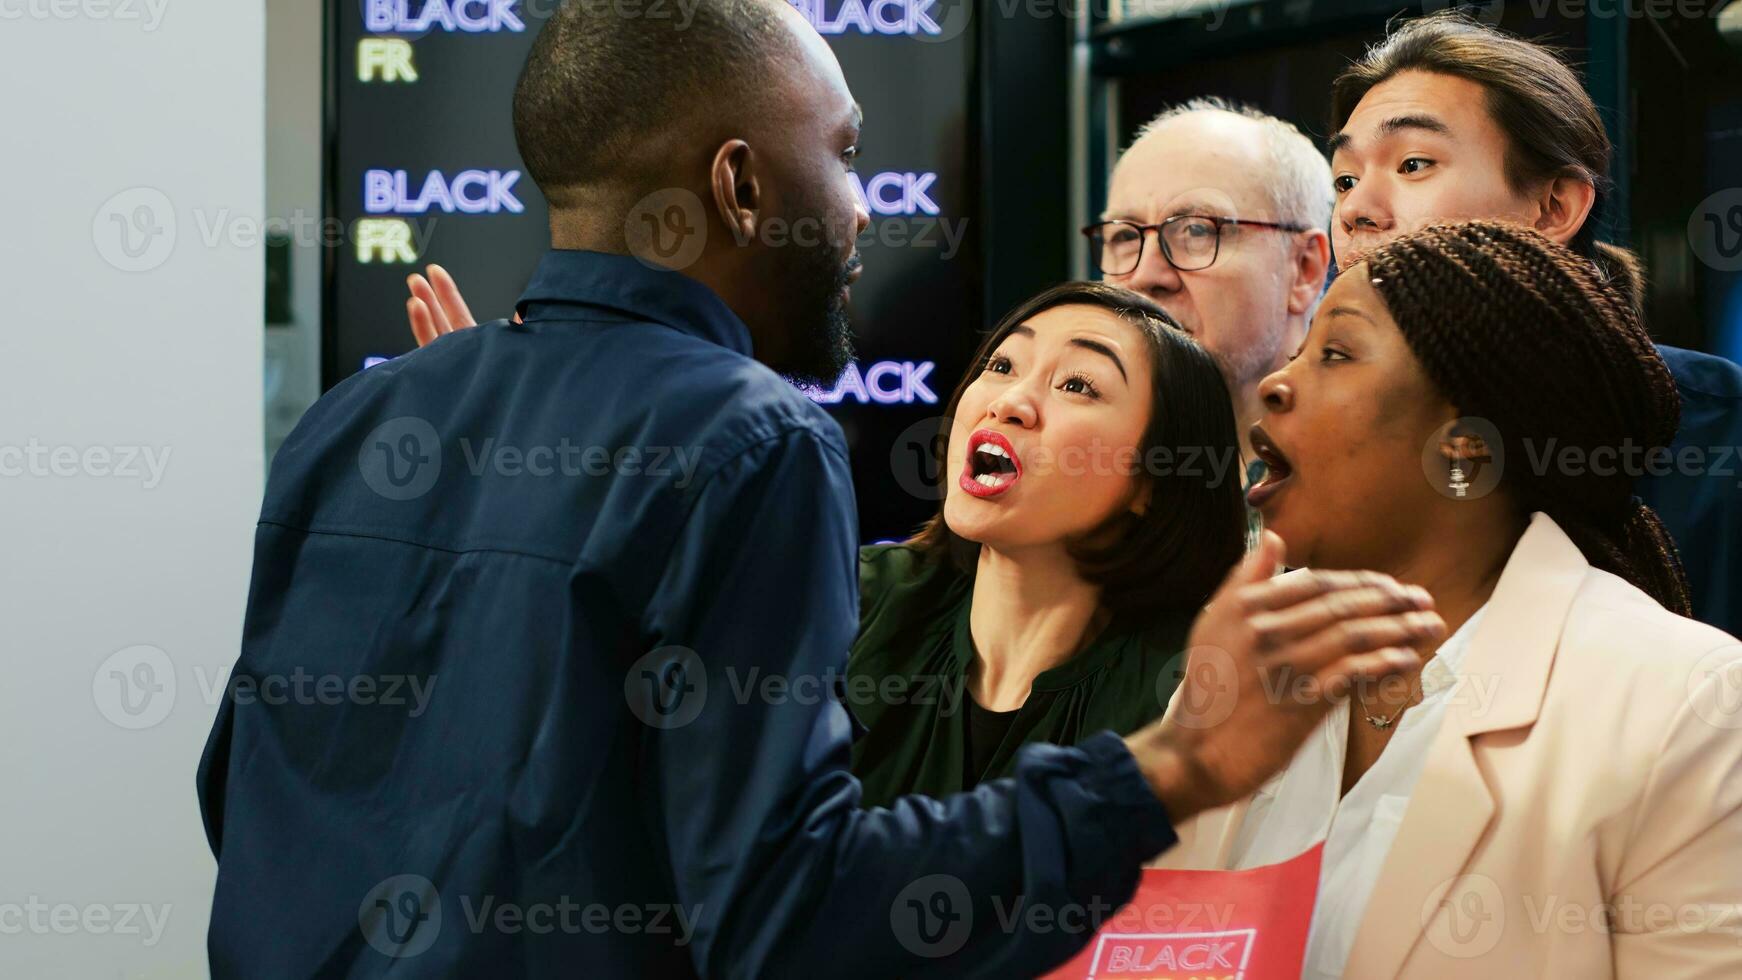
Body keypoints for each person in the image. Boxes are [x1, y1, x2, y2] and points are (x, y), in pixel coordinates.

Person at [198, 1, 1444, 977]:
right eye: (844, 155)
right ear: (740, 184)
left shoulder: (357, 414)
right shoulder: (747, 439)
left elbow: (247, 789)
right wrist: (1163, 769)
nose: (860, 210)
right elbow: (785, 923)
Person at [1155, 220, 1742, 978]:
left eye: (1335, 354)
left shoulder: (1686, 703)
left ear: (1463, 446)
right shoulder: (1245, 657)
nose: (1277, 381)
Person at [1326, 11, 1742, 636]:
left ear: (1554, 207)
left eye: (1413, 164)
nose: (1356, 209)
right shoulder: (1326, 436)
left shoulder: (1719, 434)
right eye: (1344, 179)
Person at [849, 280, 1247, 807]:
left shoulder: (1190, 688)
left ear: (1154, 478)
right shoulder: (852, 599)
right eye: (1002, 366)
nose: (1011, 402)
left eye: (1078, 385)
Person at [1087, 97, 1334, 469]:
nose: (1144, 277)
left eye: (1197, 231)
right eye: (1124, 236)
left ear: (1303, 269)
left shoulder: (1385, 490)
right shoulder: (1077, 482)